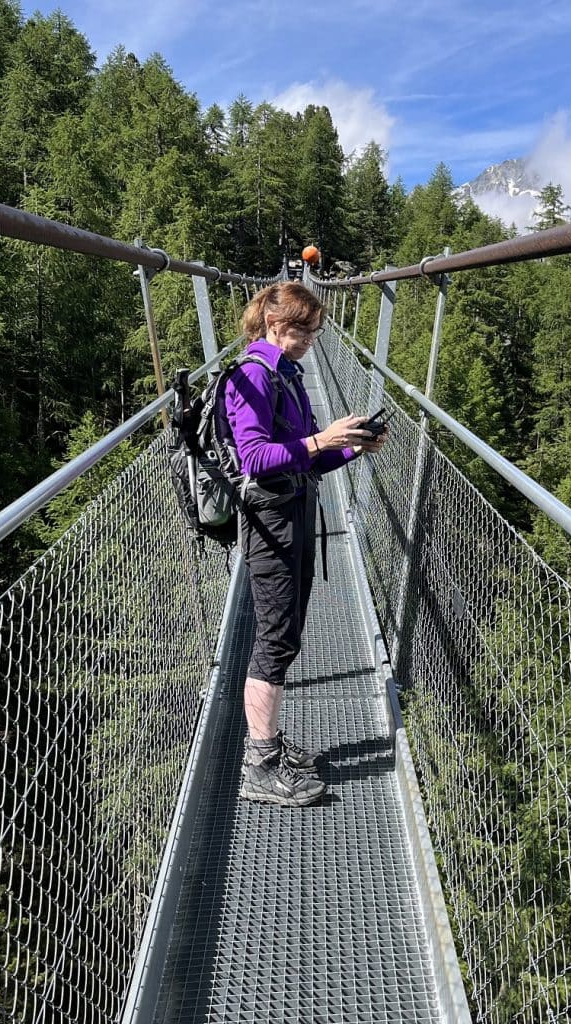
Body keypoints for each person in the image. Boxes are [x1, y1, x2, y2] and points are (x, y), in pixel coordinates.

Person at [225, 282, 387, 806]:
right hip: (270, 519)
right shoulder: (253, 375)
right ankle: (259, 766)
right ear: (279, 325)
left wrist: (351, 447)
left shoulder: (287, 375)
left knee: (287, 632)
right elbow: (254, 457)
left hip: (295, 509)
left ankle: (268, 745)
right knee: (274, 638)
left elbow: (308, 458)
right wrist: (322, 439)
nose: (316, 340)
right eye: (310, 330)